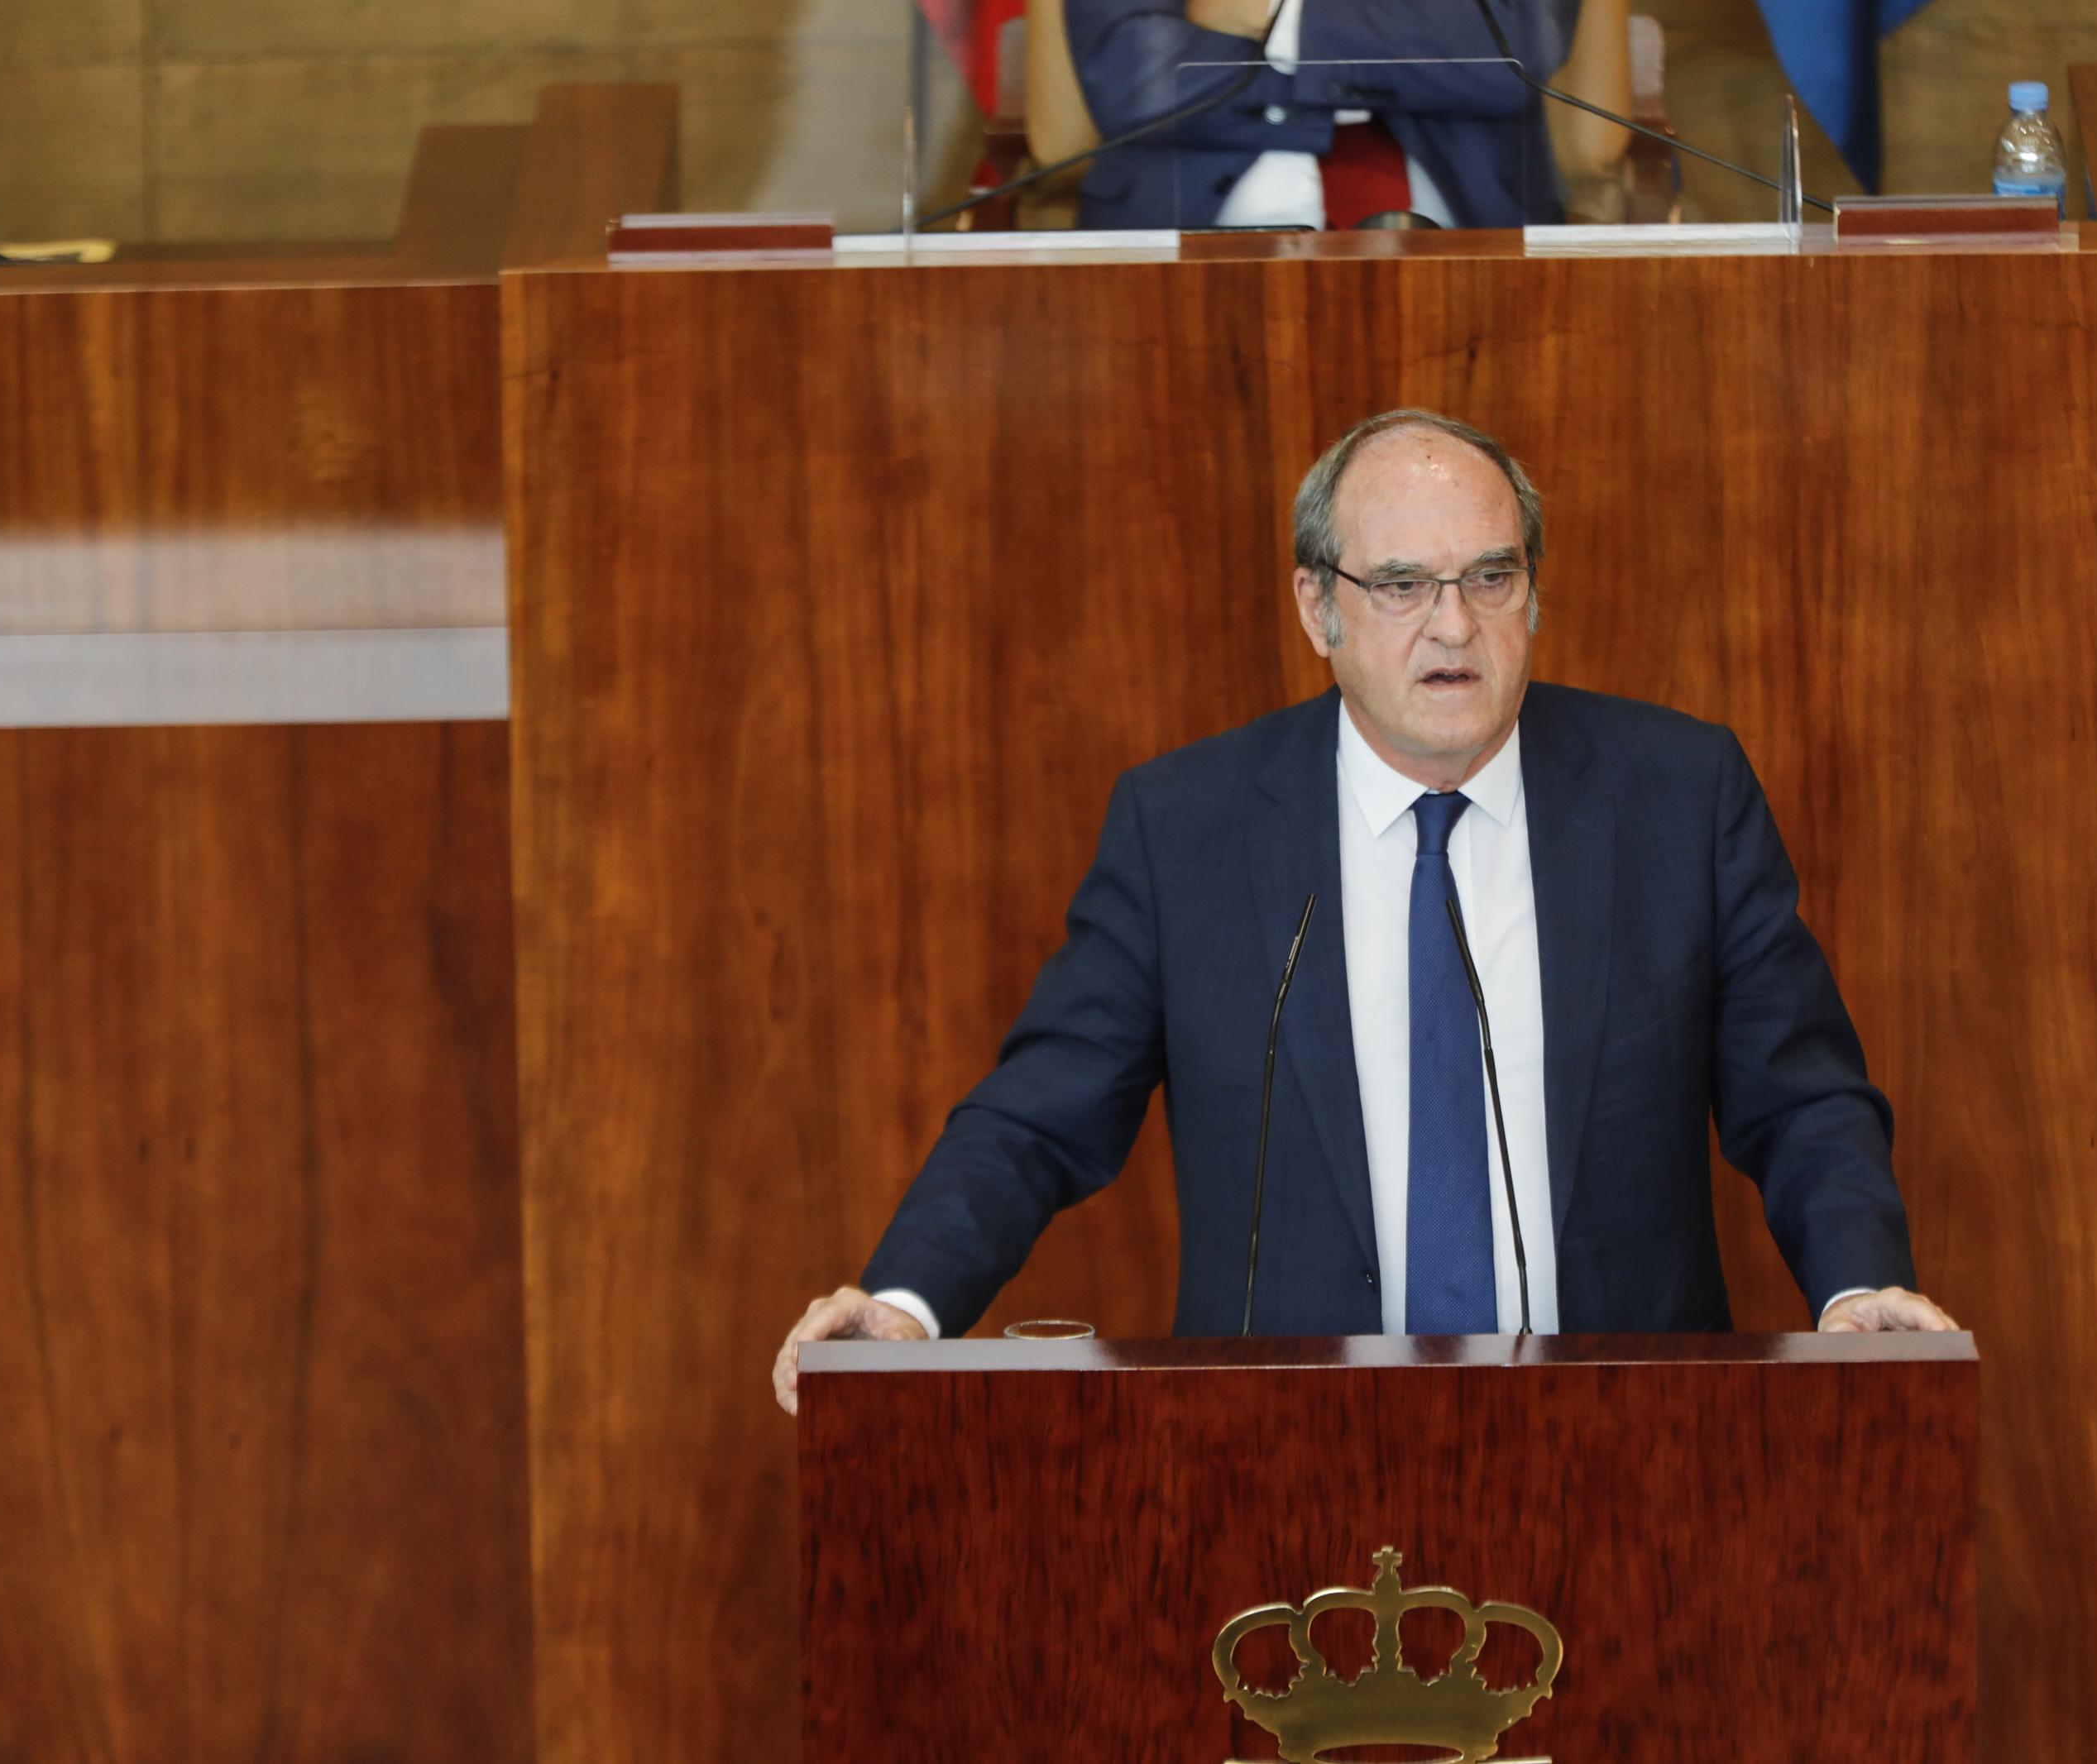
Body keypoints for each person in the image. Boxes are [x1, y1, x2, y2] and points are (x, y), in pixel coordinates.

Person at [773, 409, 1956, 1415]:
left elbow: (1801, 1095)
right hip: (1284, 1450)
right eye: (1400, 586)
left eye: (1491, 577)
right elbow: (1037, 1118)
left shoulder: (1676, 797)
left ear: (1533, 592)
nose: (1453, 626)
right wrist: (904, 1300)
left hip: (1621, 1439)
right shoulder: (1188, 826)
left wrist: (1858, 1288)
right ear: (1317, 607)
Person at [1062, 0, 1578, 229]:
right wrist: (1404, 61)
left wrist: (1270, 14)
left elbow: (1511, 54)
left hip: (1473, 241)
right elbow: (1133, 75)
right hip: (1178, 245)